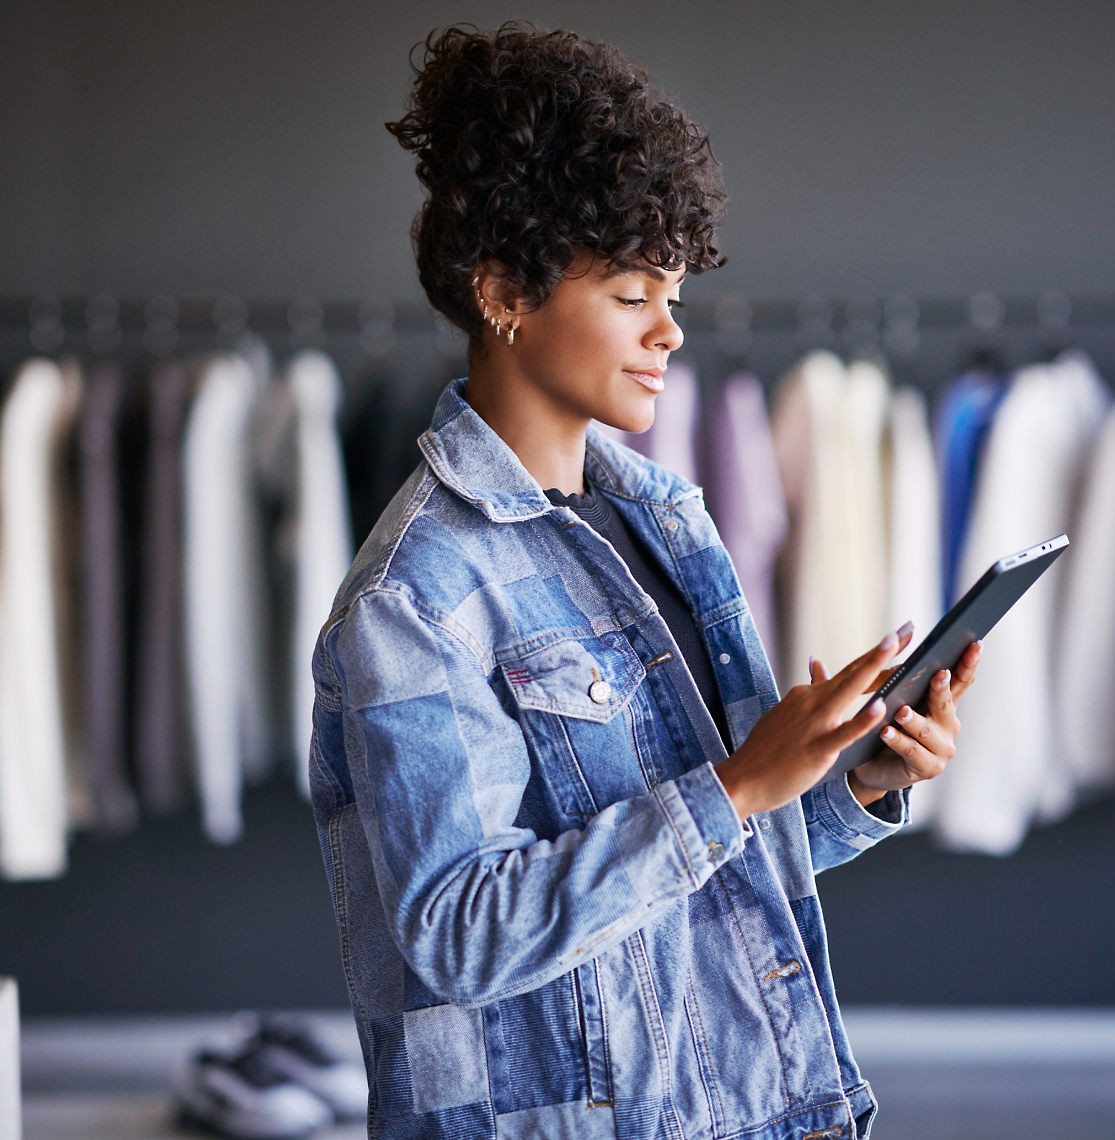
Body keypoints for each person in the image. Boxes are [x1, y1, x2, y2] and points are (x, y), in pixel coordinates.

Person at [309, 23, 982, 1140]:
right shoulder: (412, 598)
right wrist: (738, 786)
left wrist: (846, 782)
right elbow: (461, 931)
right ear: (501, 292)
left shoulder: (661, 518)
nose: (669, 331)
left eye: (670, 292)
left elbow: (704, 864)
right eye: (632, 295)